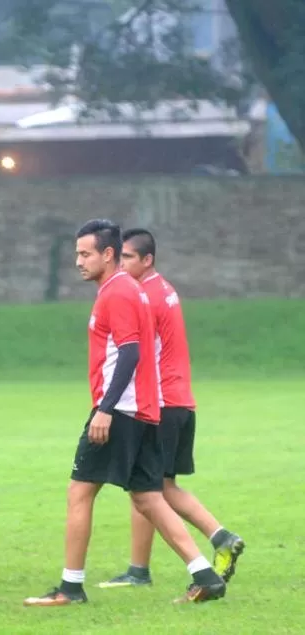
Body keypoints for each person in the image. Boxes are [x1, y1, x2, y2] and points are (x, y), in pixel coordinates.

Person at [23, 219, 226, 607]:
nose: (78, 261)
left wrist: (105, 408)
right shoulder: (129, 290)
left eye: (85, 254)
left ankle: (70, 588)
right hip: (145, 410)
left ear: (108, 254)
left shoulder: (117, 292)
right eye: (77, 254)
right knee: (149, 498)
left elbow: (130, 353)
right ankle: (205, 575)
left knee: (79, 492)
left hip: (122, 412)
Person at [96, 228, 245, 589]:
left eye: (128, 257)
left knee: (148, 488)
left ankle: (216, 537)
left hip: (161, 403)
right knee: (153, 486)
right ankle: (139, 569)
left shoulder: (143, 296)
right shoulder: (165, 290)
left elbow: (136, 353)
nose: (121, 263)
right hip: (180, 401)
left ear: (147, 260)